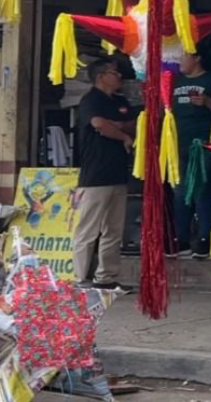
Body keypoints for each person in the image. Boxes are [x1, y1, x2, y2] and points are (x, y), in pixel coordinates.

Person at [72, 57, 136, 291]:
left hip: (118, 173)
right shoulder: (91, 99)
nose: (119, 77)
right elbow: (98, 123)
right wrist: (122, 135)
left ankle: (106, 277)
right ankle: (80, 277)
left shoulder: (119, 100)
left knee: (113, 228)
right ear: (101, 77)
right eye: (114, 73)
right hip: (96, 175)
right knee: (89, 228)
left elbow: (132, 121)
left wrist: (118, 126)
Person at [170, 51, 211, 259]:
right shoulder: (175, 81)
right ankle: (180, 238)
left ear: (197, 57)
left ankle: (204, 239)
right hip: (177, 142)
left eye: (183, 57)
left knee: (201, 188)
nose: (179, 62)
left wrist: (207, 103)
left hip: (204, 143)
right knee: (180, 191)